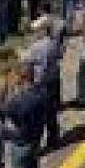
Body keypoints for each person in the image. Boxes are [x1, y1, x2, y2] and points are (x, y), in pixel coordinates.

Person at [2, 61, 47, 168]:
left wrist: (5, 84)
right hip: (36, 138)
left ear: (21, 77)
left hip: (21, 143)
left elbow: (2, 109)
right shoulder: (42, 92)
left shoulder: (19, 101)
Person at [23, 16, 63, 150]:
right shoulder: (55, 44)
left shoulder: (35, 47)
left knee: (38, 116)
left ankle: (37, 144)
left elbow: (27, 64)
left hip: (39, 85)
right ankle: (54, 140)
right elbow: (59, 57)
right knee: (52, 114)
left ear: (42, 31)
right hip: (53, 82)